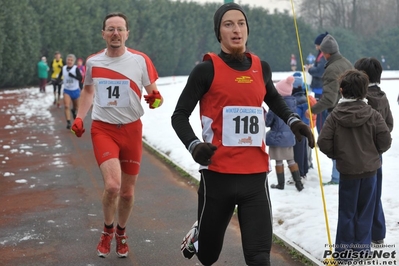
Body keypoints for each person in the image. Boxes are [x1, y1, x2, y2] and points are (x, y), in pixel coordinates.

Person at [171, 3, 314, 265]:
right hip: (217, 176)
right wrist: (194, 146)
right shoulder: (206, 70)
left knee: (259, 256)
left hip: (255, 177)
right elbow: (178, 115)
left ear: (247, 29)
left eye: (241, 23)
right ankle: (198, 235)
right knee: (208, 256)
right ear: (219, 32)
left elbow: (275, 100)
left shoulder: (261, 68)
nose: (236, 29)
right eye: (228, 24)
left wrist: (295, 122)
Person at [71, 12, 163, 258]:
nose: (115, 33)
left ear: (127, 33)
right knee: (113, 185)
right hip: (104, 128)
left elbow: (155, 98)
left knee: (128, 193)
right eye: (110, 29)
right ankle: (107, 231)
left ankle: (122, 233)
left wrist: (155, 101)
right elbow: (88, 91)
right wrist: (80, 116)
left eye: (120, 29)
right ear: (103, 34)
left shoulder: (140, 61)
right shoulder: (93, 62)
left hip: (132, 130)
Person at [317, 69, 391, 262]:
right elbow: (385, 139)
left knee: (347, 211)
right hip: (370, 171)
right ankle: (363, 250)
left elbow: (323, 142)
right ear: (364, 91)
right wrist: (374, 154)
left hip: (348, 171)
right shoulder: (373, 114)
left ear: (341, 90)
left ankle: (344, 252)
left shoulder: (334, 115)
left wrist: (339, 155)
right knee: (365, 210)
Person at [354, 57, 394, 245]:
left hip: (361, 154)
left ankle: (362, 237)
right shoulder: (383, 96)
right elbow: (390, 124)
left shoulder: (362, 99)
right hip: (377, 153)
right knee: (375, 194)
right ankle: (378, 234)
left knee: (362, 196)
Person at [306, 34, 353, 185]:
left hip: (338, 113)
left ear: (325, 53)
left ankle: (337, 177)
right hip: (351, 110)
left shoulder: (332, 69)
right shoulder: (346, 63)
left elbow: (329, 99)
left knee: (338, 145)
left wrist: (312, 110)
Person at [266, 76, 304, 192]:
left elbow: (268, 122)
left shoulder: (275, 106)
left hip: (277, 137)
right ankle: (299, 183)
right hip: (289, 137)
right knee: (291, 159)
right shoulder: (293, 104)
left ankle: (280, 184)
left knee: (279, 161)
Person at [290, 72, 316, 182]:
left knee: (298, 153)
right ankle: (304, 170)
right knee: (304, 152)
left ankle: (299, 173)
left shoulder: (295, 101)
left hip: (298, 130)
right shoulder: (306, 99)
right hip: (306, 128)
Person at [305, 32, 328, 134]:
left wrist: (310, 70)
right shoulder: (322, 54)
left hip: (321, 88)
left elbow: (320, 71)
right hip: (320, 88)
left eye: (317, 45)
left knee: (321, 115)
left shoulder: (323, 56)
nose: (316, 47)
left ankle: (323, 136)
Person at [57, 54, 82, 129]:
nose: (69, 61)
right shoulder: (63, 68)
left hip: (75, 90)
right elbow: (59, 78)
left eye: (71, 60)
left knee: (77, 107)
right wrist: (58, 81)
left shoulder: (75, 69)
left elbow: (80, 78)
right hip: (67, 90)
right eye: (68, 60)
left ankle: (73, 111)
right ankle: (68, 122)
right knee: (67, 106)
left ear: (73, 61)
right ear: (66, 60)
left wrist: (73, 76)